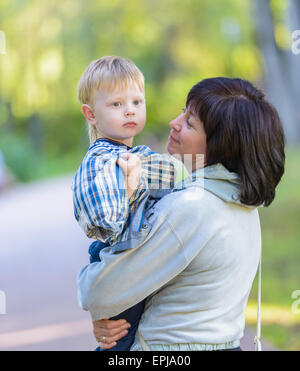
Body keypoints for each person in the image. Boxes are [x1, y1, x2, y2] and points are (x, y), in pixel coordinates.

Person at [78, 77, 285, 351]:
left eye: (189, 123)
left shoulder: (192, 207)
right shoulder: (241, 203)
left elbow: (98, 293)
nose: (174, 123)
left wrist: (102, 305)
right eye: (183, 112)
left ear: (220, 145)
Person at [72, 56, 189, 351]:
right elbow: (103, 221)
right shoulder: (101, 161)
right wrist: (128, 187)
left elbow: (175, 174)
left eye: (137, 101)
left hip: (133, 255)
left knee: (135, 332)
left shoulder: (135, 154)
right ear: (91, 114)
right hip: (117, 258)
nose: (130, 111)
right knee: (121, 339)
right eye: (116, 104)